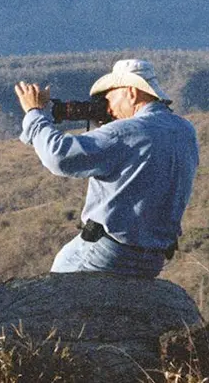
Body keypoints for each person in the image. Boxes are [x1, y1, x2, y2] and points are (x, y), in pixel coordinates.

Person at [14, 59, 198, 278]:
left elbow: (59, 156)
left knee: (52, 292)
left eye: (109, 97)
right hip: (152, 260)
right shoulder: (185, 130)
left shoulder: (127, 132)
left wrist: (35, 114)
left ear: (131, 93)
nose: (107, 106)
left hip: (109, 254)